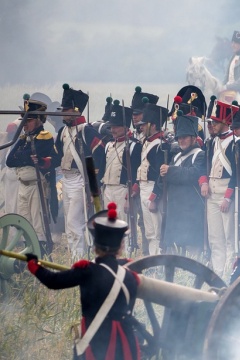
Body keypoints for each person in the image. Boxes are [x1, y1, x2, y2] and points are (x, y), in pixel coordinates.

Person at [25, 203, 141, 360]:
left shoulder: (87, 271)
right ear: (120, 246)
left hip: (97, 340)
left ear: (95, 246)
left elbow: (53, 281)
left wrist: (34, 266)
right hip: (125, 341)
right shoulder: (130, 278)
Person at [55, 84, 105, 256]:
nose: (63, 113)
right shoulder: (63, 132)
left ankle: (79, 259)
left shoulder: (86, 131)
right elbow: (56, 156)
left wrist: (93, 186)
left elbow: (98, 158)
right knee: (70, 224)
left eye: (66, 110)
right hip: (66, 179)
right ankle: (74, 256)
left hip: (79, 180)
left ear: (75, 111)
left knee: (74, 222)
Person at [7, 96, 59, 255]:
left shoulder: (45, 137)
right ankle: (28, 253)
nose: (24, 124)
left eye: (28, 121)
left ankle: (41, 253)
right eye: (24, 121)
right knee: (24, 223)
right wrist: (26, 156)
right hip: (23, 185)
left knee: (38, 224)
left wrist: (23, 156)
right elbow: (10, 160)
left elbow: (32, 155)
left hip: (37, 185)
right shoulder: (23, 139)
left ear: (38, 120)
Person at [204, 101, 240, 277]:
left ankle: (228, 273)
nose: (213, 125)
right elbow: (205, 166)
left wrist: (228, 197)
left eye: (216, 122)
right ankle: (217, 272)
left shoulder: (237, 143)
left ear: (226, 122)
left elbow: (237, 173)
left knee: (229, 238)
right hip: (211, 193)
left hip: (226, 194)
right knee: (215, 238)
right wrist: (203, 182)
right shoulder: (212, 143)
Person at [161, 113, 207, 256]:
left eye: (185, 137)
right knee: (174, 249)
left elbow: (192, 175)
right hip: (175, 209)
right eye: (179, 137)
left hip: (190, 211)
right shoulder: (176, 156)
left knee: (192, 248)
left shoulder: (199, 155)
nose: (182, 140)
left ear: (193, 138)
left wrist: (170, 170)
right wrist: (163, 173)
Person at [102, 100, 142, 238]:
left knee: (124, 228)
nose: (113, 130)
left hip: (122, 189)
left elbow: (137, 173)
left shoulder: (134, 146)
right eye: (112, 126)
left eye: (116, 126)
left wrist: (129, 197)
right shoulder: (108, 145)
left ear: (125, 127)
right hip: (108, 189)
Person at [136, 100, 168, 256]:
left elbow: (161, 176)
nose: (141, 127)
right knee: (149, 232)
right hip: (144, 189)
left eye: (144, 124)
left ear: (153, 125)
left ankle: (158, 261)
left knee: (156, 232)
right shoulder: (147, 142)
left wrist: (155, 197)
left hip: (153, 190)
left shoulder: (160, 145)